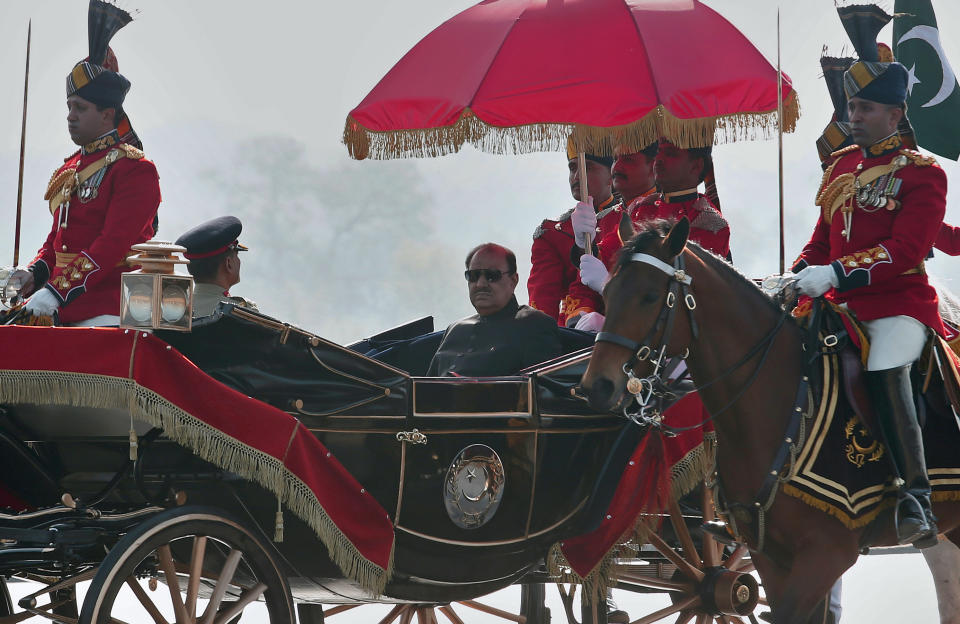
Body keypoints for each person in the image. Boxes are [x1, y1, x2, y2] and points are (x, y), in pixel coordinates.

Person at [792, 57, 943, 548]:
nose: (854, 116)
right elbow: (821, 240)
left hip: (899, 304)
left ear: (896, 115)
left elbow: (906, 251)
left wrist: (836, 272)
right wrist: (796, 274)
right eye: (852, 106)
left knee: (885, 366)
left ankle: (915, 498)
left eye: (866, 107)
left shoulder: (923, 174)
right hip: (839, 304)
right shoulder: (842, 166)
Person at [12, 4, 160, 327]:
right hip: (61, 298)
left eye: (80, 107)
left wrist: (55, 292)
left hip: (107, 305)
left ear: (108, 114)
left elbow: (110, 246)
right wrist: (35, 273)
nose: (70, 115)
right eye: (69, 106)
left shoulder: (136, 170)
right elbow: (56, 245)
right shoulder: (73, 168)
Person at [564, 139, 730, 329]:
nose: (658, 160)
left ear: (696, 165)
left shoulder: (709, 222)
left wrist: (608, 286)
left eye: (670, 154)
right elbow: (606, 257)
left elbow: (681, 297)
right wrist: (584, 243)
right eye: (658, 153)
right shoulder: (643, 209)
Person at [429, 243, 563, 377]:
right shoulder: (455, 329)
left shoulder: (534, 325)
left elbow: (545, 390)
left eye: (491, 275)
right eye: (473, 276)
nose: (480, 284)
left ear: (513, 280)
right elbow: (422, 389)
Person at [528, 140, 619, 325]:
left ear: (611, 175)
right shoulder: (552, 234)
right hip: (574, 331)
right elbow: (543, 301)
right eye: (572, 168)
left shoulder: (631, 216)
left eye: (588, 167)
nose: (577, 176)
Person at [175, 216, 258, 317]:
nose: (239, 261)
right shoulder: (243, 313)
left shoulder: (174, 312)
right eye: (237, 255)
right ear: (229, 264)